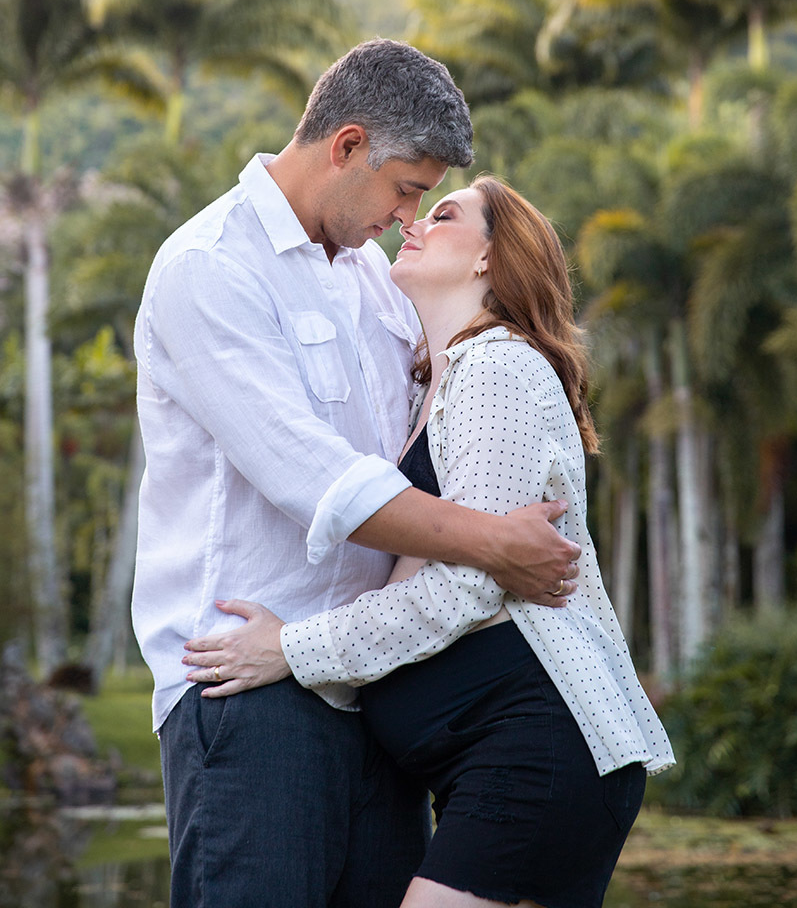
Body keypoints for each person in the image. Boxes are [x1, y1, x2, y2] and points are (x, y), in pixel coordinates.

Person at [132, 39, 582, 908]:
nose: (408, 215)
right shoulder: (209, 268)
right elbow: (321, 483)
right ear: (346, 146)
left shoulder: (372, 283)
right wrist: (499, 545)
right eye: (407, 188)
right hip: (249, 692)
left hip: (374, 697)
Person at [184, 175, 675, 908]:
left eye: (443, 214)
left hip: (534, 750)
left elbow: (469, 581)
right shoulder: (437, 387)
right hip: (502, 759)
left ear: (489, 258)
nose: (411, 223)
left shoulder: (498, 366)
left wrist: (291, 649)